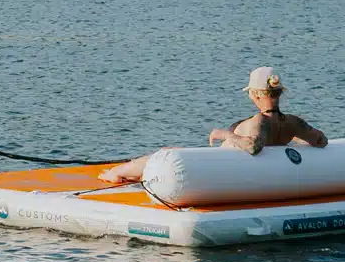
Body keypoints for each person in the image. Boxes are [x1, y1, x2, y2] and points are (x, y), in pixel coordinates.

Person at [98, 66, 328, 184]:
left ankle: (116, 173)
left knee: (169, 154)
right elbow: (320, 139)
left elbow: (254, 146)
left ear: (255, 95)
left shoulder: (260, 121)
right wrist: (297, 141)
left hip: (216, 171)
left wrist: (224, 134)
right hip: (236, 173)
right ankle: (128, 172)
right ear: (279, 93)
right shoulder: (292, 122)